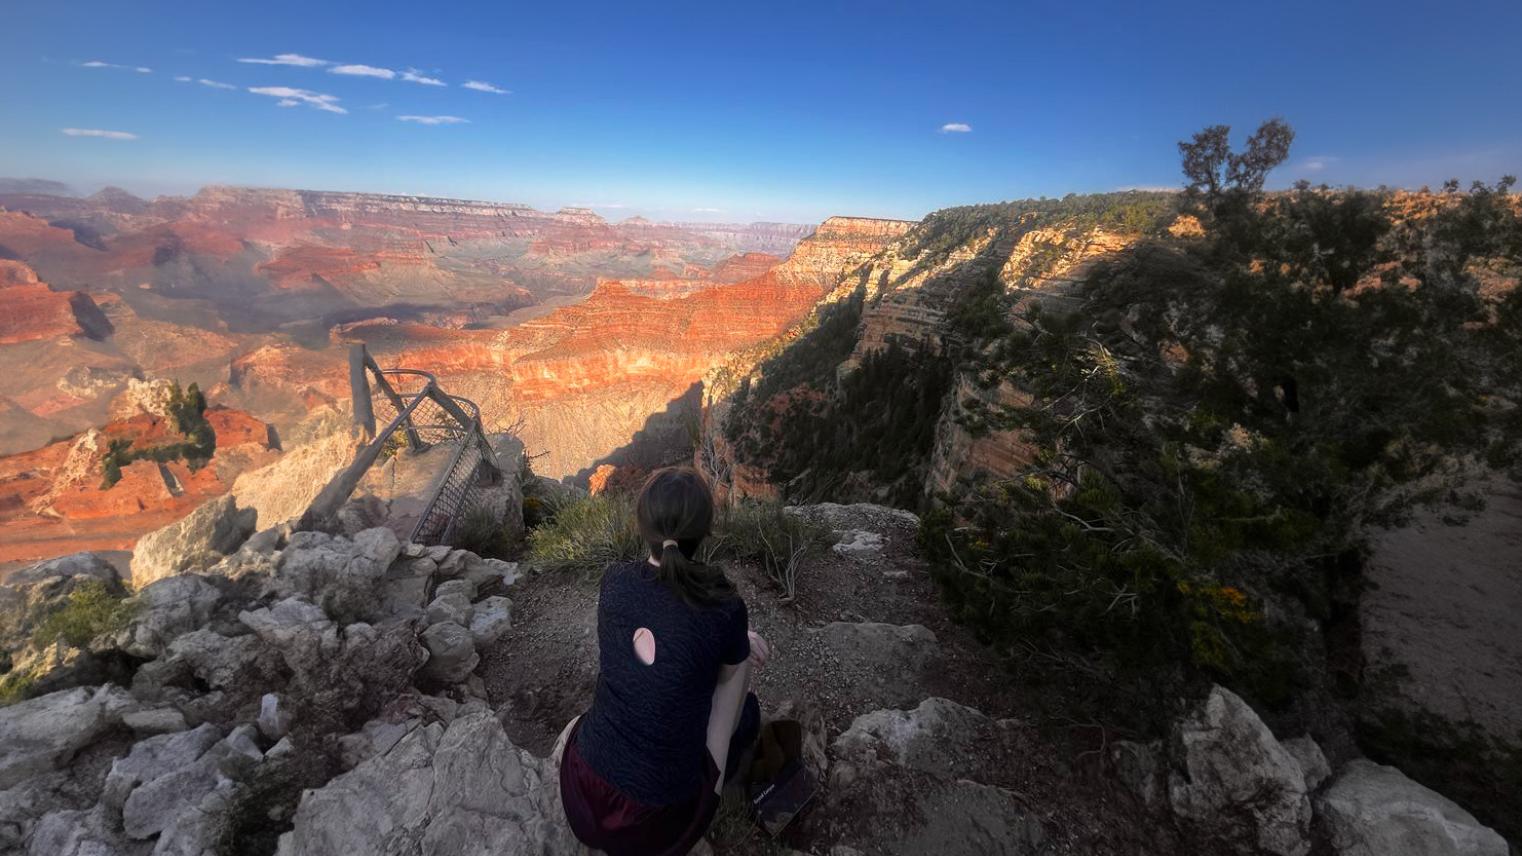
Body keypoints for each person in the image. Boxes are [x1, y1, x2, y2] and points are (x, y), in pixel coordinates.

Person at [559, 467, 770, 856]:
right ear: (706, 531)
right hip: (657, 824)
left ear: (643, 526)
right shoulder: (723, 608)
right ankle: (717, 780)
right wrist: (739, 642)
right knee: (738, 672)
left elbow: (665, 628)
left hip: (582, 792)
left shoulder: (615, 581)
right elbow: (716, 670)